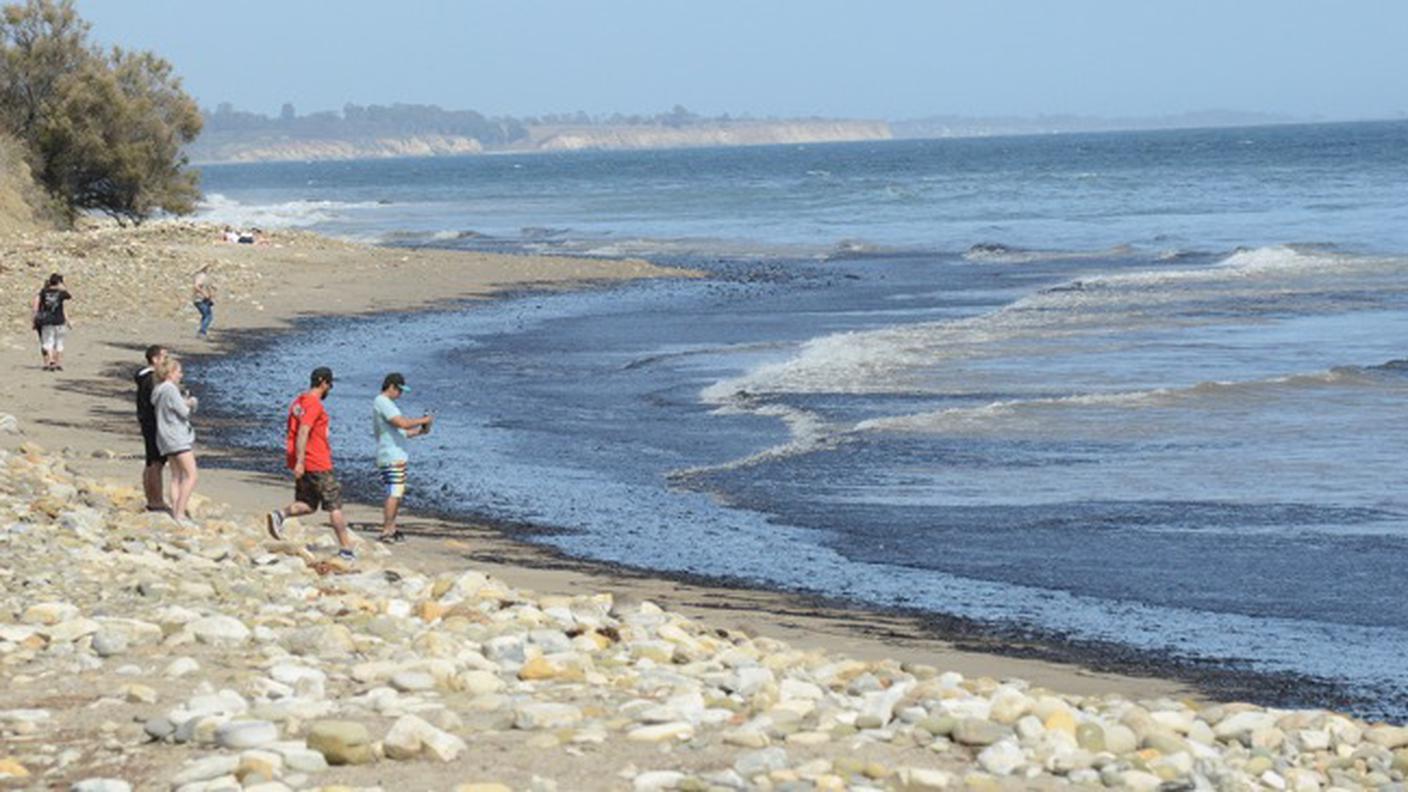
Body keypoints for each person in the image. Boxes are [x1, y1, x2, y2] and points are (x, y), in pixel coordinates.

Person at [266, 367, 356, 561]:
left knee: (308, 504)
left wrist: (298, 461)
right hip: (317, 462)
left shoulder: (299, 402)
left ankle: (280, 515)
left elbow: (295, 429)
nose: (329, 389)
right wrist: (300, 461)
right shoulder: (314, 404)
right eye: (329, 385)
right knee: (335, 506)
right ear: (323, 383)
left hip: (305, 462)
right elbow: (303, 431)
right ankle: (346, 548)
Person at [371, 372, 433, 543]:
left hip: (396, 453)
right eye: (399, 390)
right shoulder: (382, 402)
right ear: (391, 387)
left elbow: (402, 432)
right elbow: (402, 423)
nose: (400, 394)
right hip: (391, 455)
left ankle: (392, 527)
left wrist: (422, 430)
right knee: (394, 492)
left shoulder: (388, 404)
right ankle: (386, 530)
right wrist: (423, 419)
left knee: (397, 492)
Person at [151, 355, 199, 524]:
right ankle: (179, 513)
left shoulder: (157, 389)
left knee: (176, 476)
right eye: (179, 372)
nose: (181, 375)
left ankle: (175, 512)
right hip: (176, 436)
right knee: (191, 475)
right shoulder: (170, 389)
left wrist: (182, 402)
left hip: (164, 437)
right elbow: (183, 412)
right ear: (170, 373)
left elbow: (171, 407)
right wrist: (190, 403)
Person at [135, 344, 170, 512]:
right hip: (154, 424)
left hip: (147, 422)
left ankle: (152, 497)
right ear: (155, 359)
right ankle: (156, 500)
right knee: (156, 462)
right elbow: (157, 402)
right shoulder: (151, 379)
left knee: (151, 461)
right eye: (164, 358)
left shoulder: (144, 377)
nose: (167, 361)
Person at [31, 273, 72, 371]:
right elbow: (69, 296)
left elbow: (35, 307)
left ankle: (50, 360)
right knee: (59, 343)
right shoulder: (61, 293)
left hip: (47, 320)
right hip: (59, 321)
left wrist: (34, 320)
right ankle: (57, 363)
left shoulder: (43, 292)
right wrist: (62, 287)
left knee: (47, 342)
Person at [192, 265, 215, 339]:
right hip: (201, 299)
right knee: (209, 316)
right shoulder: (201, 276)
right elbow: (196, 286)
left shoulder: (202, 276)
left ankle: (202, 331)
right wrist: (204, 294)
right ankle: (202, 332)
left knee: (205, 315)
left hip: (202, 299)